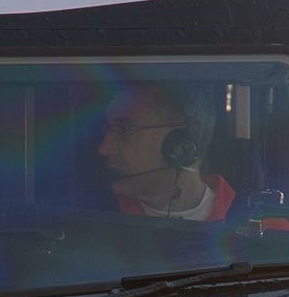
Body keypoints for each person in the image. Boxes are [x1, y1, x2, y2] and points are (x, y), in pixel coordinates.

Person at [99, 91, 237, 221]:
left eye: (124, 130)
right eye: (108, 129)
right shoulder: (97, 215)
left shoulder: (245, 218)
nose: (104, 149)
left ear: (181, 145)